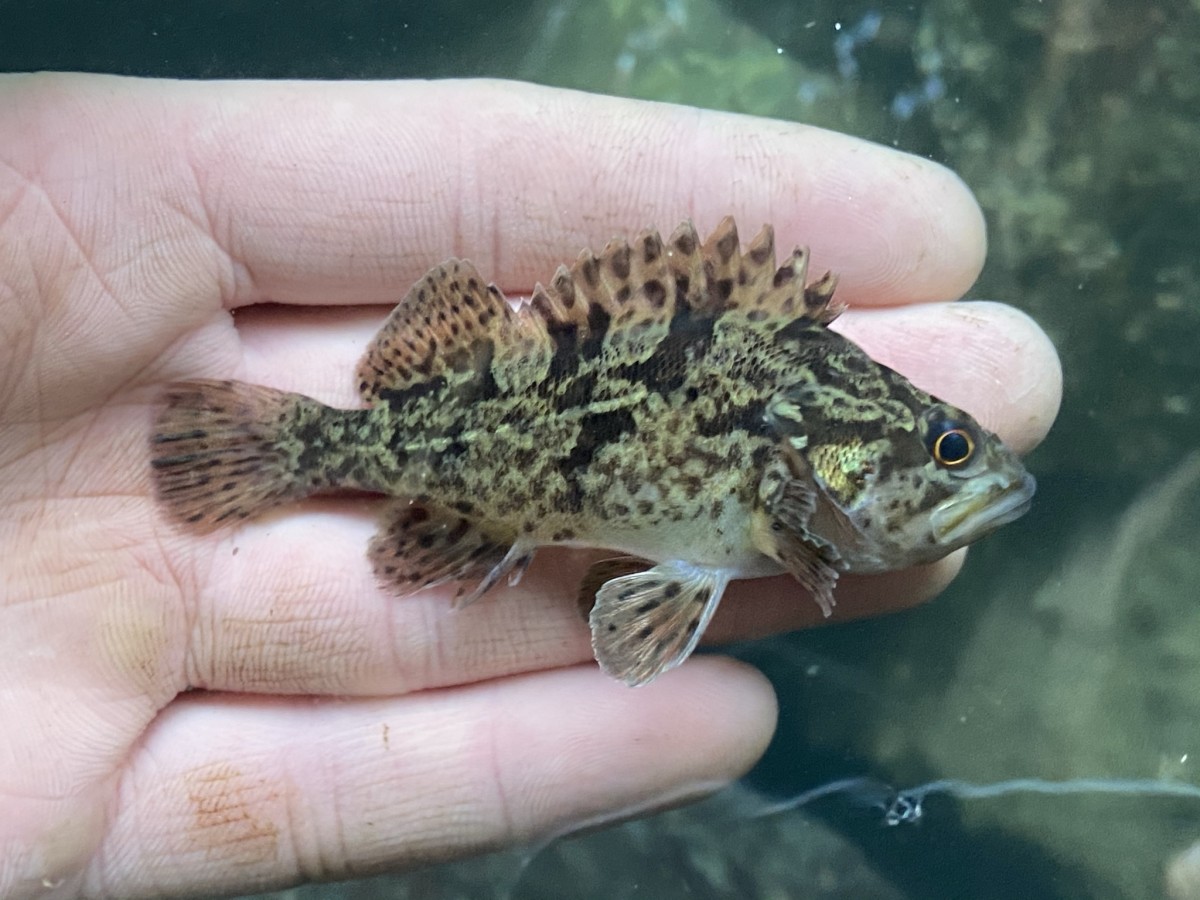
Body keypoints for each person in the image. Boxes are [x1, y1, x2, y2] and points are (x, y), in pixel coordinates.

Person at [0, 73, 1060, 899]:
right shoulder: (786, 455)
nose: (970, 472)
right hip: (454, 446)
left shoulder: (798, 437)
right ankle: (295, 452)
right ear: (821, 450)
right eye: (950, 452)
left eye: (953, 452)